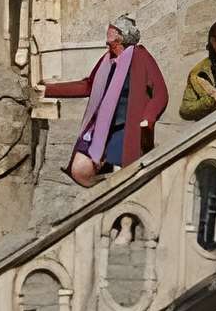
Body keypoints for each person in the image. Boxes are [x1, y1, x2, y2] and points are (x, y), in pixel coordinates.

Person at [44, 15, 168, 187]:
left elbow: (160, 93)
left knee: (120, 175)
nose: (108, 30)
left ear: (121, 36)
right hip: (102, 127)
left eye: (113, 29)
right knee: (79, 169)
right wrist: (48, 90)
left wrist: (149, 117)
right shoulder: (106, 60)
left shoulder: (141, 56)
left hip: (126, 127)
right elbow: (88, 86)